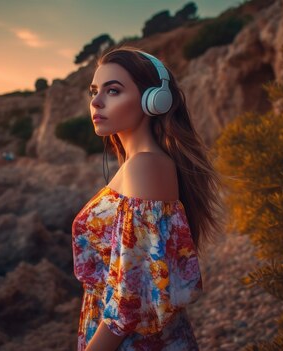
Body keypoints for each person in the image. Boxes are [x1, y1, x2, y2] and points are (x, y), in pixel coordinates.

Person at [71, 46, 226, 350]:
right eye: (94, 91)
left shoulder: (147, 165)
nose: (96, 102)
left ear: (153, 101)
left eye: (113, 91)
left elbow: (128, 300)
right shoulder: (136, 165)